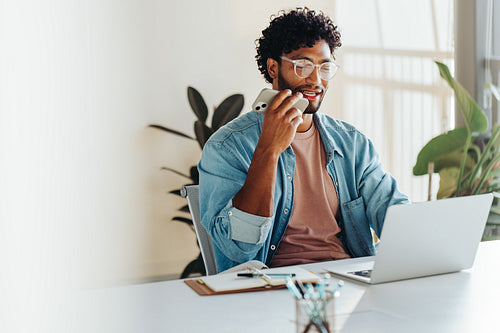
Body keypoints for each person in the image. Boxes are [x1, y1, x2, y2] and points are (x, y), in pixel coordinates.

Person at [198, 7, 409, 272]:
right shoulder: (227, 147)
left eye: (324, 67)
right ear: (273, 67)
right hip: (270, 289)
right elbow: (238, 248)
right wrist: (268, 149)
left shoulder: (353, 144)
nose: (315, 79)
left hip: (345, 281)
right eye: (302, 66)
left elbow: (394, 214)